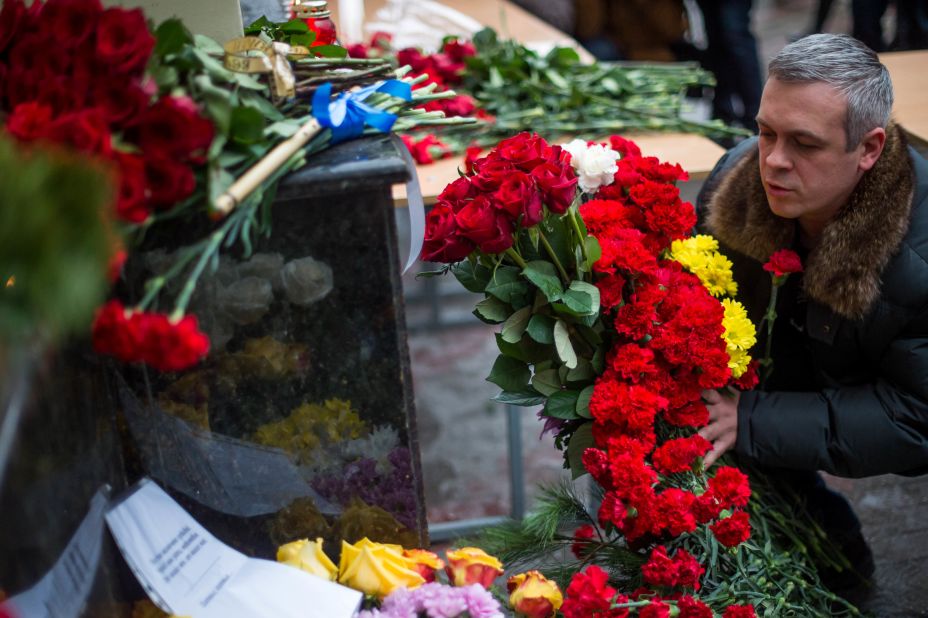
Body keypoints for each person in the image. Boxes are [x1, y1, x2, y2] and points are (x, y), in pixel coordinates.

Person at [695, 33, 928, 597]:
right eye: (766, 131)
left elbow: (917, 417)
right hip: (794, 379)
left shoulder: (918, 260)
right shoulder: (736, 183)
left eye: (804, 143)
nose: (773, 161)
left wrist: (747, 419)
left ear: (869, 149)